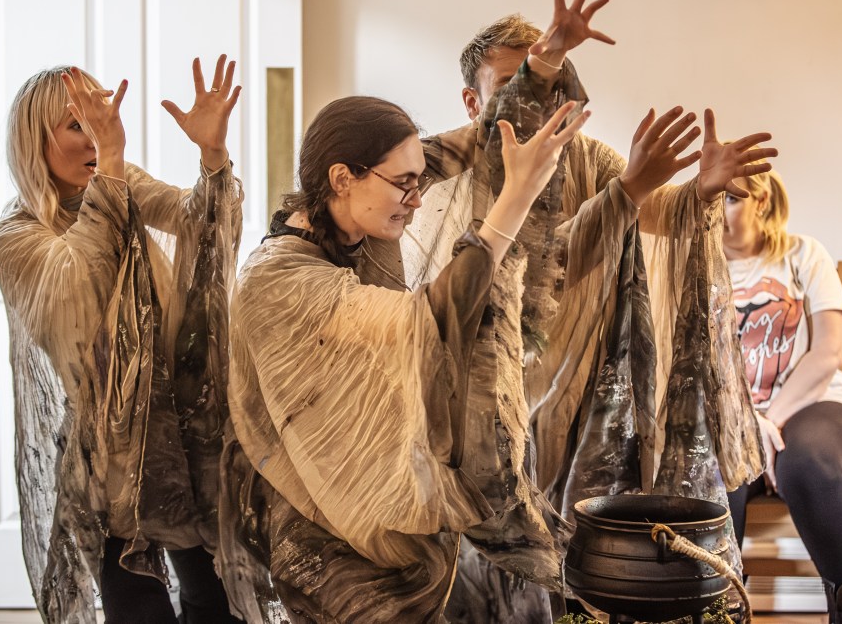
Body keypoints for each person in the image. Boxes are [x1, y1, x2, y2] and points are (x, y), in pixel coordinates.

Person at [378, 0, 780, 620]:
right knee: (484, 558)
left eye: (550, 87)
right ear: (471, 101)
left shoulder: (588, 158)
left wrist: (698, 189)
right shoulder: (441, 165)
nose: (537, 105)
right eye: (515, 88)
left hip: (578, 384)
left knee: (571, 553)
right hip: (475, 394)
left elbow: (647, 207)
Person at [220, 93, 588, 623]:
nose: (417, 199)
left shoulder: (351, 228)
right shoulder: (278, 278)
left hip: (372, 509)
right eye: (404, 183)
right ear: (343, 177)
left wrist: (547, 64)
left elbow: (473, 140)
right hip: (320, 528)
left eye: (419, 180)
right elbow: (428, 324)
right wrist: (516, 196)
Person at [0, 56, 244, 623]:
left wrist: (212, 155)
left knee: (214, 593)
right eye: (77, 124)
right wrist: (113, 166)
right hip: (110, 453)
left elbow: (201, 223)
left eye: (100, 118)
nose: (97, 135)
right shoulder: (13, 237)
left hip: (182, 420)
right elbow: (80, 281)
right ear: (35, 138)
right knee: (139, 609)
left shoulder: (118, 181)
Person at [723, 171, 842, 624]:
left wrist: (771, 420)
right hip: (729, 417)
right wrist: (749, 423)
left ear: (761, 200)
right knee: (711, 473)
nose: (716, 210)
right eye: (709, 197)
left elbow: (828, 351)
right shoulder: (692, 267)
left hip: (814, 407)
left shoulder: (804, 254)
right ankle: (722, 611)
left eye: (729, 197)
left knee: (806, 464)